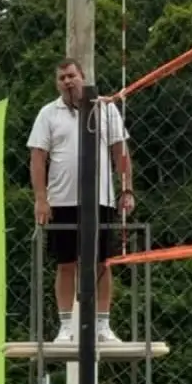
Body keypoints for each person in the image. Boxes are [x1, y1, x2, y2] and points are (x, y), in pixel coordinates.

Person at [27, 57, 135, 344]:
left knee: (102, 263)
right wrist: (41, 199)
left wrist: (126, 189)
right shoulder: (48, 113)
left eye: (71, 76)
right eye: (61, 78)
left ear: (82, 76)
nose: (67, 81)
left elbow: (120, 152)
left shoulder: (105, 108)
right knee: (65, 263)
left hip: (100, 199)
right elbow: (38, 158)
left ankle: (102, 325)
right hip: (62, 200)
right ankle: (66, 325)